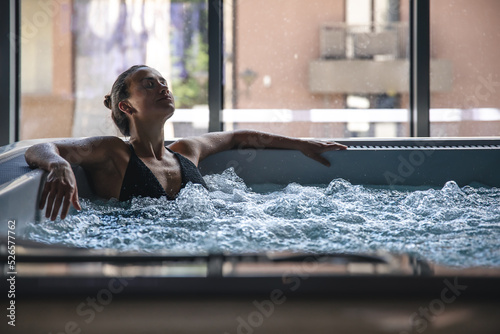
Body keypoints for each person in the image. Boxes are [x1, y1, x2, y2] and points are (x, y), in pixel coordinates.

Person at [25, 65, 347, 221]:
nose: (163, 88)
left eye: (163, 83)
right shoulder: (115, 153)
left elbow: (238, 137)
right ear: (126, 106)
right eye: (149, 85)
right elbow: (40, 148)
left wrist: (300, 143)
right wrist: (57, 165)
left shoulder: (186, 151)